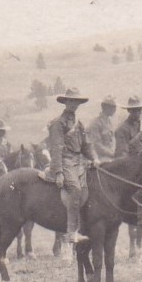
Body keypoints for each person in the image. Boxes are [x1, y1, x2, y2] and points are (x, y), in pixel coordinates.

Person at [47, 87, 98, 244]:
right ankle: (70, 232)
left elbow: (86, 145)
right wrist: (59, 172)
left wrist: (95, 158)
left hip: (79, 161)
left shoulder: (79, 123)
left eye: (76, 101)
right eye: (71, 101)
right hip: (65, 161)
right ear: (66, 102)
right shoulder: (58, 123)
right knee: (75, 188)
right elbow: (56, 148)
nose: (74, 104)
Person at [113, 96, 142, 226]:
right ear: (129, 111)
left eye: (139, 110)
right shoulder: (122, 130)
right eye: (134, 111)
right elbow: (121, 155)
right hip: (131, 168)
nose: (137, 113)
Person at [89, 96, 118, 160]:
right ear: (104, 107)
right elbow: (96, 145)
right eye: (112, 107)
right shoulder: (96, 123)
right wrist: (111, 154)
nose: (115, 109)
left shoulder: (109, 122)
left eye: (115, 107)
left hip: (111, 157)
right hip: (100, 158)